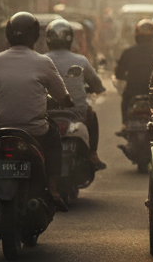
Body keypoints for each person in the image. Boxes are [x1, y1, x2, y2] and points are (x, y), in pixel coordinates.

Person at [0, 12, 73, 211]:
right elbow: (62, 96)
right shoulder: (43, 62)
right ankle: (53, 189)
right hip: (34, 131)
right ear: (36, 36)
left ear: (8, 36)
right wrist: (68, 103)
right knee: (53, 135)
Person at [44, 18, 107, 170]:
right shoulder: (81, 60)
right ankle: (93, 154)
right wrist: (96, 89)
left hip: (47, 113)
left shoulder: (41, 60)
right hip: (77, 112)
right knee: (92, 114)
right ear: (70, 39)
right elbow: (97, 85)